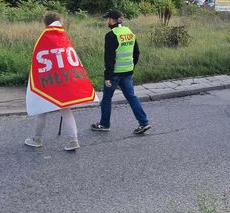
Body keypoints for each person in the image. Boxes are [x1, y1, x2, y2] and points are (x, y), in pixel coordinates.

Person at [24, 11, 96, 151]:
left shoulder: (43, 38)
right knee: (66, 110)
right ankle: (73, 140)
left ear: (45, 23)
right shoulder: (63, 37)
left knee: (41, 110)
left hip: (48, 83)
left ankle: (37, 139)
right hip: (64, 80)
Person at [90, 9, 151, 134]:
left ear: (112, 20)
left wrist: (107, 77)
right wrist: (131, 66)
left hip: (114, 74)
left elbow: (109, 58)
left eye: (108, 19)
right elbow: (136, 52)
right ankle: (144, 122)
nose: (107, 21)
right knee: (132, 97)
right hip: (128, 72)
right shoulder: (129, 32)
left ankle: (104, 124)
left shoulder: (111, 35)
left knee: (107, 98)